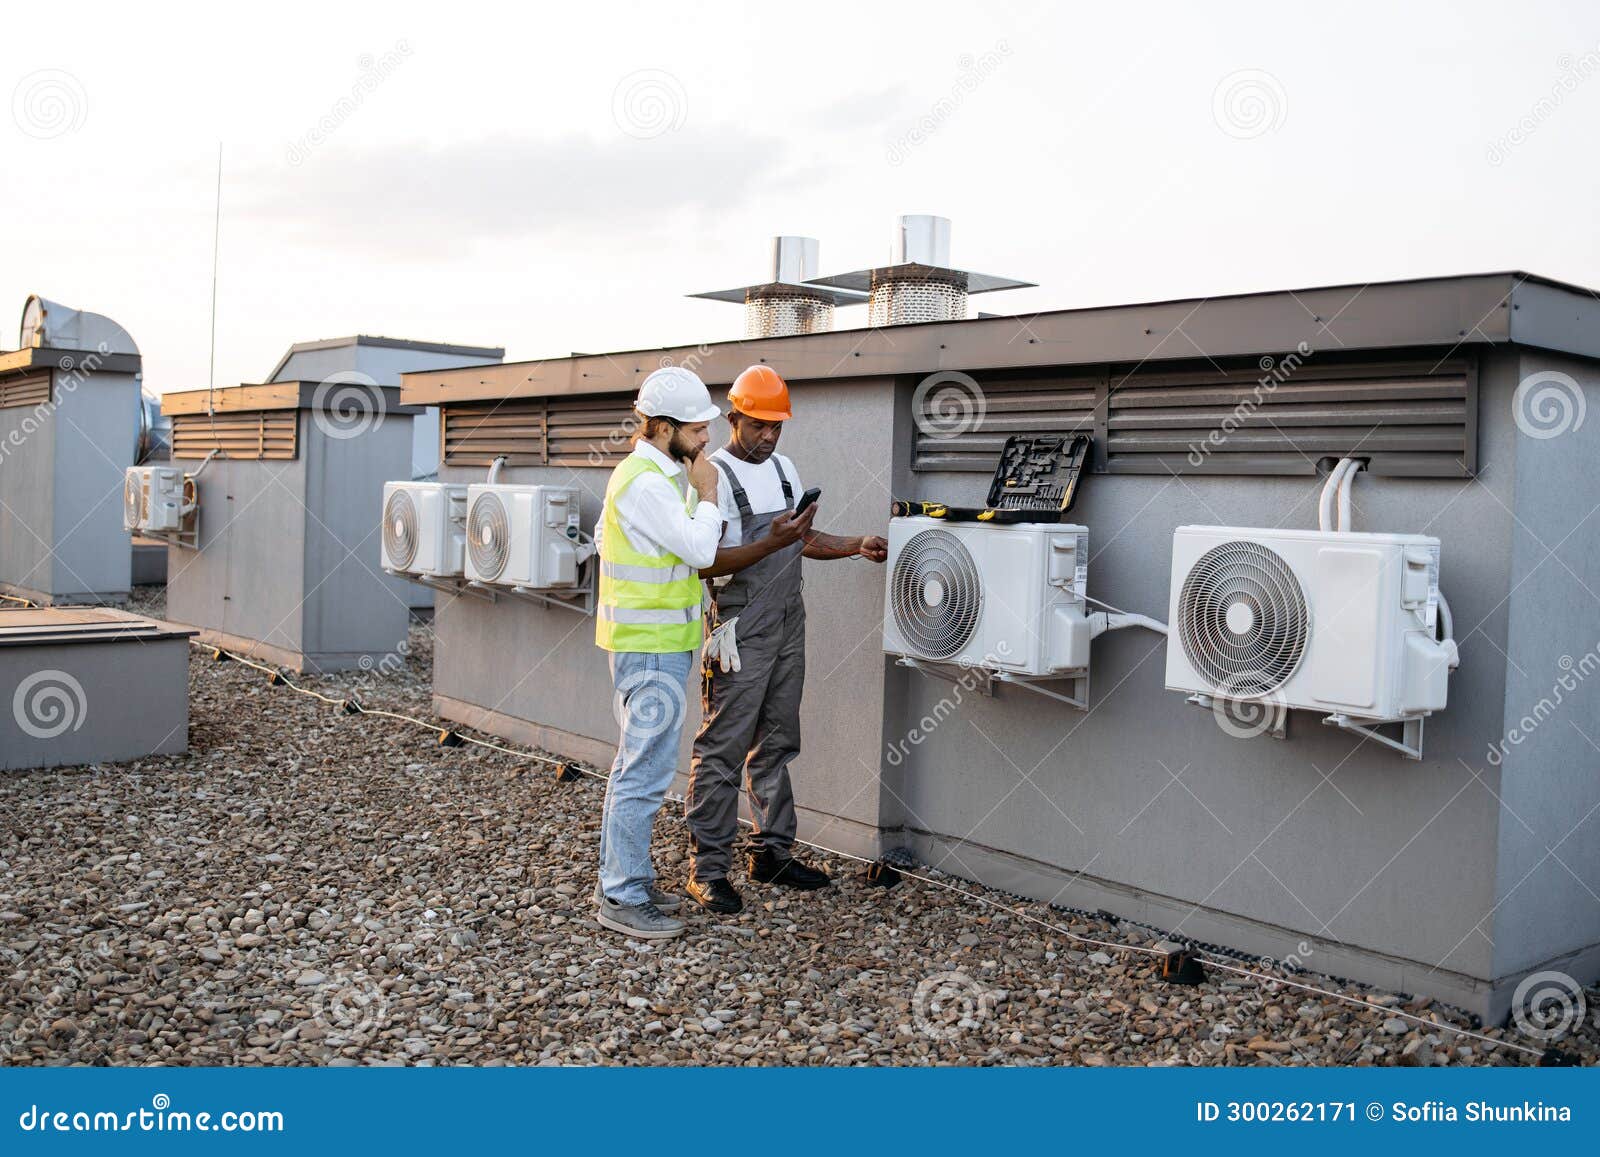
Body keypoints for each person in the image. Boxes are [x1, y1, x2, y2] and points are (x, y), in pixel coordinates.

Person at [683, 365, 889, 915]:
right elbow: (700, 561)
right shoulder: (711, 476)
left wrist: (854, 544)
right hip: (739, 624)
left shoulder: (783, 470)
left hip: (787, 620)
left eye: (777, 427)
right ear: (734, 418)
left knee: (776, 739)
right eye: (758, 426)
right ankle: (707, 870)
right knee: (724, 744)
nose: (769, 437)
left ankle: (771, 852)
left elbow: (802, 541)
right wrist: (770, 542)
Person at [593, 366, 724, 940]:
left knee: (636, 765)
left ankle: (630, 879)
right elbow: (699, 549)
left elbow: (604, 537)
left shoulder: (652, 474)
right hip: (650, 649)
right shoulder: (650, 482)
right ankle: (621, 896)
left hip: (654, 644)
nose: (706, 441)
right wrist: (710, 495)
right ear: (665, 426)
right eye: (697, 430)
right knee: (643, 771)